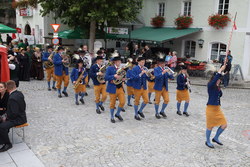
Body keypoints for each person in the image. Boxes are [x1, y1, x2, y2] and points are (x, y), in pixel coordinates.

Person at [0, 80, 27, 152]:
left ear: (8, 88)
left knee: (2, 126)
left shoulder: (12, 98)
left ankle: (8, 144)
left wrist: (6, 117)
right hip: (21, 116)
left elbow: (14, 113)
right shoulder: (19, 93)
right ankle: (2, 139)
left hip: (18, 119)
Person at [205, 64, 227, 149]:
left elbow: (220, 95)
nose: (219, 81)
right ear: (214, 79)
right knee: (210, 126)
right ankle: (207, 141)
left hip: (217, 109)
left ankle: (216, 137)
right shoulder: (210, 85)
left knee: (224, 124)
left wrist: (219, 86)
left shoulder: (217, 87)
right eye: (218, 80)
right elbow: (215, 79)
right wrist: (221, 69)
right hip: (210, 109)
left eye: (220, 80)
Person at [105, 55, 125, 123]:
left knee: (122, 102)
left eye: (120, 61)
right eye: (118, 61)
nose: (119, 63)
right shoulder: (110, 68)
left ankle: (118, 113)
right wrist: (114, 76)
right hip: (112, 88)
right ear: (115, 62)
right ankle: (112, 116)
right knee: (112, 103)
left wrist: (123, 78)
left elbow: (123, 76)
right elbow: (106, 77)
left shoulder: (121, 69)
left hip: (120, 87)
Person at [132, 56, 149, 121]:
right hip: (137, 87)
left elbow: (147, 78)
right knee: (137, 101)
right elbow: (134, 78)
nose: (143, 63)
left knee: (146, 100)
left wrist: (149, 75)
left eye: (144, 62)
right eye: (142, 62)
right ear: (138, 62)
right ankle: (136, 114)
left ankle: (140, 110)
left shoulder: (145, 68)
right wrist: (141, 73)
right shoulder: (135, 69)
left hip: (144, 87)